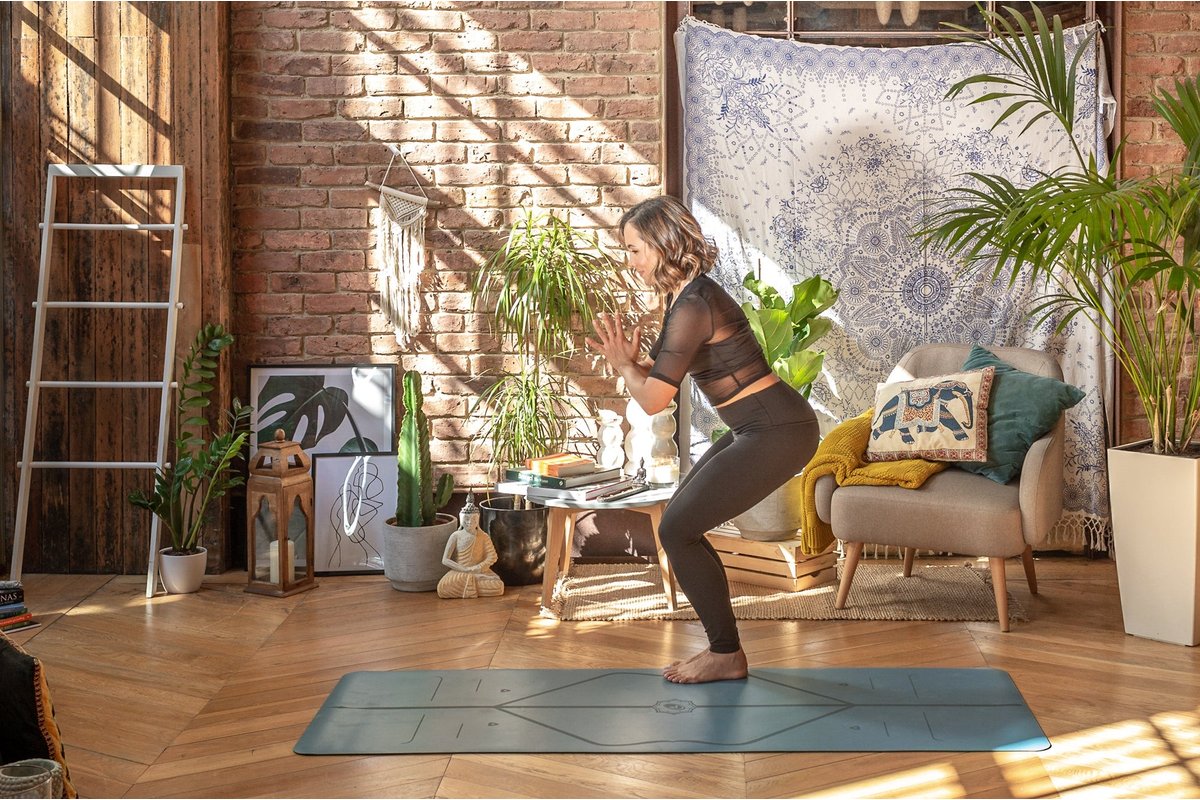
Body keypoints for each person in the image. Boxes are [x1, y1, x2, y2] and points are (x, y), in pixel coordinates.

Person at [586, 196, 819, 684]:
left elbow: (652, 400)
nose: (629, 261)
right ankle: (724, 650)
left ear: (662, 244)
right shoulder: (687, 297)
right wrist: (632, 364)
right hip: (759, 426)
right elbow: (663, 376)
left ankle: (725, 653)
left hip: (776, 430)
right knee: (679, 525)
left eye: (633, 249)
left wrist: (624, 365)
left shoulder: (693, 304)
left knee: (675, 529)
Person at [437, 492, 505, 599]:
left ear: (478, 520)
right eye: (466, 519)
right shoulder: (456, 536)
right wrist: (464, 569)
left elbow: (492, 557)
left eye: (473, 520)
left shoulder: (484, 536)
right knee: (442, 588)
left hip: (479, 572)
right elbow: (445, 560)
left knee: (498, 586)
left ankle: (474, 583)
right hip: (460, 572)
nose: (470, 522)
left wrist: (478, 568)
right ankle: (473, 584)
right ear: (461, 519)